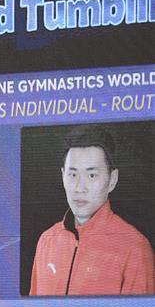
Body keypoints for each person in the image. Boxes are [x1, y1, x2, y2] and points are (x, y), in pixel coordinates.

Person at [30, 125, 154, 296]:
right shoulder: (47, 241)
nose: (80, 188)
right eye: (73, 175)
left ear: (112, 180)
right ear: (62, 176)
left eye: (92, 175)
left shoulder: (134, 248)